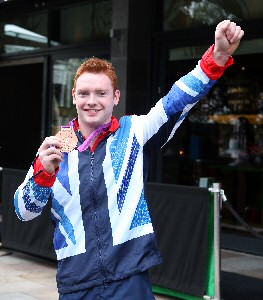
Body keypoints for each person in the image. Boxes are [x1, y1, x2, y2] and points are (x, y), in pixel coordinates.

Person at [14, 20, 244, 299]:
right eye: (84, 93)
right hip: (76, 284)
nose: (92, 101)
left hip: (129, 280)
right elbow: (23, 211)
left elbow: (176, 101)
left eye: (101, 93)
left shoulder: (133, 132)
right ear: (74, 96)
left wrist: (217, 58)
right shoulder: (55, 147)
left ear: (115, 97)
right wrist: (42, 174)